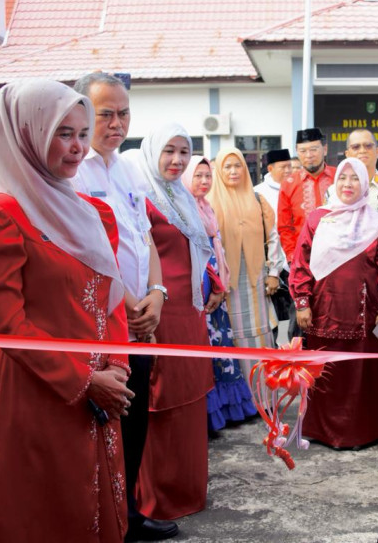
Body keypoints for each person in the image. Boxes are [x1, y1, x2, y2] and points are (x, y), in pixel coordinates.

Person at [0, 79, 134, 542]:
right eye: (62, 132)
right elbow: (6, 325)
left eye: (82, 132)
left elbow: (110, 302)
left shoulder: (92, 212)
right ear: (25, 133)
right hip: (31, 391)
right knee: (41, 512)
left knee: (94, 510)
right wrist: (85, 379)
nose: (77, 147)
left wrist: (117, 366)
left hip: (99, 391)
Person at [71, 72, 178, 542]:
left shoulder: (129, 168)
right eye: (105, 114)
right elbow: (87, 253)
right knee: (101, 425)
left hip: (141, 320)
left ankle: (129, 514)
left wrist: (157, 293)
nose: (116, 124)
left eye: (124, 113)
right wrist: (129, 302)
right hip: (103, 323)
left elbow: (144, 236)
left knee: (134, 423)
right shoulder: (73, 170)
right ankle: (104, 520)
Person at [124, 123, 220, 520]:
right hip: (159, 311)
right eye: (169, 151)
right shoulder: (139, 196)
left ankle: (189, 488)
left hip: (191, 311)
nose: (178, 160)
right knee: (158, 400)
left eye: (184, 151)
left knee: (189, 397)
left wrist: (213, 279)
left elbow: (201, 248)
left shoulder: (181, 195)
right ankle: (155, 500)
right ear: (151, 152)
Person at [289, 158, 378, 449]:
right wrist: (302, 302)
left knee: (360, 375)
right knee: (326, 371)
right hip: (323, 310)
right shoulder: (318, 218)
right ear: (335, 182)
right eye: (343, 178)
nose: (348, 184)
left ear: (365, 183)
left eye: (354, 178)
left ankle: (363, 432)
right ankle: (320, 430)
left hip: (365, 315)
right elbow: (301, 262)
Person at [183, 154, 259, 431]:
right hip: (198, 289)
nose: (204, 181)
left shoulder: (205, 207)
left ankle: (228, 409)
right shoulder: (183, 209)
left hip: (215, 286)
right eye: (197, 176)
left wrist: (220, 285)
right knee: (207, 353)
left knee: (222, 350)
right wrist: (213, 284)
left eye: (207, 176)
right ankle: (209, 414)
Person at [208, 147, 285, 375]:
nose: (233, 171)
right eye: (227, 166)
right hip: (225, 285)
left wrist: (273, 272)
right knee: (231, 333)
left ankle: (263, 390)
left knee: (260, 332)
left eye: (238, 165)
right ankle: (240, 397)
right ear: (219, 171)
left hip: (256, 282)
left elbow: (273, 236)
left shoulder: (258, 200)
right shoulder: (208, 203)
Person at [277, 128, 336, 338]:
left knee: (335, 315)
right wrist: (294, 259)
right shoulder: (289, 184)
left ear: (325, 148)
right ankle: (300, 367)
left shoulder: (340, 177)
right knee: (300, 322)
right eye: (303, 151)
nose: (308, 155)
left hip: (338, 260)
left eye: (313, 149)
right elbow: (284, 227)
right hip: (304, 264)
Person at [253, 148, 293, 328]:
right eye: (283, 167)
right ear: (270, 169)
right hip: (271, 262)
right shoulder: (258, 193)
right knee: (277, 314)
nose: (288, 171)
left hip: (294, 259)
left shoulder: (296, 187)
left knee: (295, 313)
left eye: (290, 167)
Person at [344, 128, 378, 217]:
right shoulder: (335, 191)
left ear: (377, 151)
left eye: (368, 146)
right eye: (356, 147)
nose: (362, 151)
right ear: (347, 154)